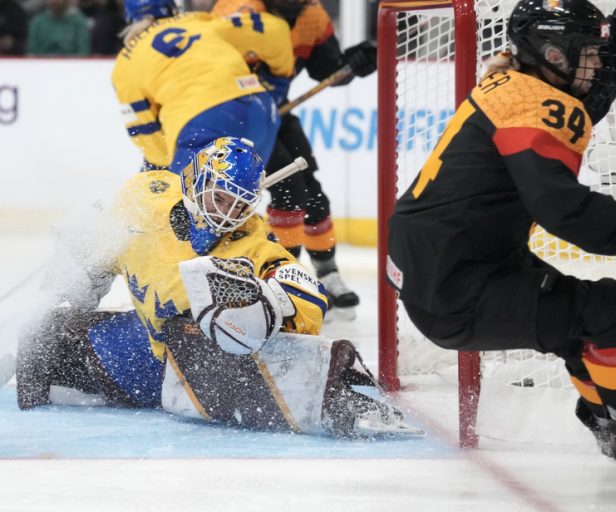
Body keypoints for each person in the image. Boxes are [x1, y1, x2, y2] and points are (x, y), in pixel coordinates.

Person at [387, 0, 616, 495]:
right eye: (588, 50)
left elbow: (578, 108)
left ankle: (607, 416)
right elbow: (567, 213)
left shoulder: (515, 83)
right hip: (456, 286)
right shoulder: (527, 103)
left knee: (577, 323)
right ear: (552, 53)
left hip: (447, 261)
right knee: (612, 309)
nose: (595, 61)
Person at [16, 137, 421, 439]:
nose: (226, 215)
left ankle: (349, 398)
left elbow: (308, 296)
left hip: (206, 365)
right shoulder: (144, 197)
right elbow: (90, 250)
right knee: (43, 338)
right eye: (220, 198)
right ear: (196, 181)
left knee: (317, 362)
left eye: (239, 206)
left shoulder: (253, 242)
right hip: (140, 349)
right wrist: (77, 268)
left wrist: (269, 305)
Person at [211, 0, 378, 319]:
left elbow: (327, 70)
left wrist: (355, 61)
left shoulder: (311, 16)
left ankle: (326, 276)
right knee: (290, 188)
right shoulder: (236, 8)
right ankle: (283, 285)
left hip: (275, 112)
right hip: (235, 115)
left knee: (312, 192)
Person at [112, 0, 294, 181]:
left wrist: (164, 166)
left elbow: (144, 130)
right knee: (234, 202)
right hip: (261, 112)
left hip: (203, 122)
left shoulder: (126, 61)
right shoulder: (197, 21)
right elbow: (276, 29)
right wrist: (276, 85)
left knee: (183, 202)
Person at [26, 0, 90, 55]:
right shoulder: (38, 22)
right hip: (43, 65)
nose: (56, 1)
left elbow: (83, 52)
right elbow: (32, 52)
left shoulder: (79, 22)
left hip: (71, 65)